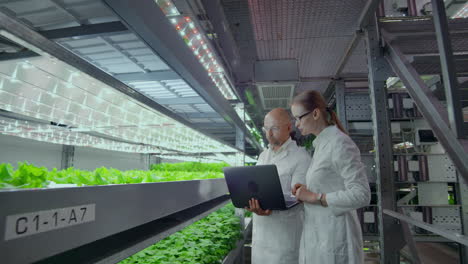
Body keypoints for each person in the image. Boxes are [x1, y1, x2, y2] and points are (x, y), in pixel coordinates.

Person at [291, 90, 370, 264]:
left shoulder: (340, 143)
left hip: (336, 236)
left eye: (299, 118)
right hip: (320, 234)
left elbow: (362, 194)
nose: (296, 124)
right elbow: (330, 182)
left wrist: (316, 197)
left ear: (316, 113)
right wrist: (305, 190)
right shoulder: (321, 144)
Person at [246, 108, 311, 264]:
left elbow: (298, 198)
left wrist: (269, 207)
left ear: (289, 127)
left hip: (284, 241)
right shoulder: (263, 156)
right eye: (266, 128)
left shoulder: (301, 158)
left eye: (274, 128)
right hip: (261, 241)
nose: (269, 134)